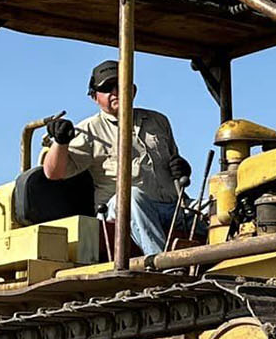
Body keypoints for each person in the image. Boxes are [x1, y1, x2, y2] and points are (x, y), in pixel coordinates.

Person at [40, 59, 193, 256]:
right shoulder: (88, 130)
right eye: (106, 88)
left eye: (120, 84)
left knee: (217, 208)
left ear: (133, 90)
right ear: (95, 97)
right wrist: (60, 141)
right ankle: (163, 265)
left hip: (171, 209)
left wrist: (182, 167)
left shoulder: (158, 121)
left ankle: (228, 269)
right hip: (122, 212)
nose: (115, 91)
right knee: (130, 197)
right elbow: (53, 173)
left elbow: (175, 162)